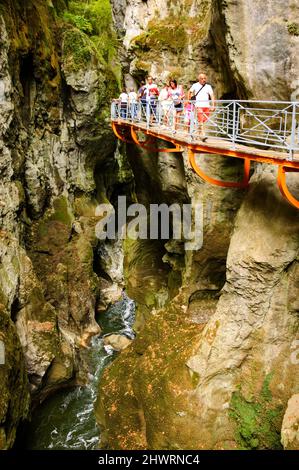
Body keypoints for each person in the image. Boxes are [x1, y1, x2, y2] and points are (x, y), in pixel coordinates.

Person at [188, 73, 215, 141]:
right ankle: (203, 135)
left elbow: (212, 96)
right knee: (200, 120)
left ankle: (197, 134)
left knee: (203, 121)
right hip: (198, 105)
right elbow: (190, 92)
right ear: (199, 79)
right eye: (202, 78)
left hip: (207, 106)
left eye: (205, 78)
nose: (204, 80)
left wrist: (213, 105)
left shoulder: (208, 86)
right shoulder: (195, 85)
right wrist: (189, 100)